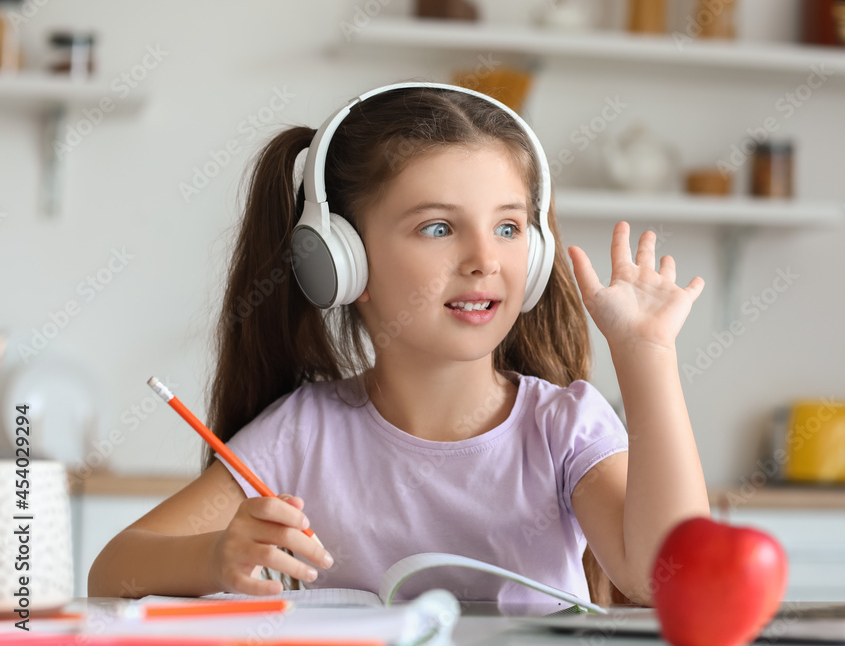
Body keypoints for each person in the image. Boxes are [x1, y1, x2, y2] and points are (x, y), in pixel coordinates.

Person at [89, 82, 710, 607]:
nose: (484, 259)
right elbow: (114, 570)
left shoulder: (563, 429)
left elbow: (667, 579)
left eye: (508, 226)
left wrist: (647, 357)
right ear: (341, 263)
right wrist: (216, 557)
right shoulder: (304, 434)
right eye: (438, 227)